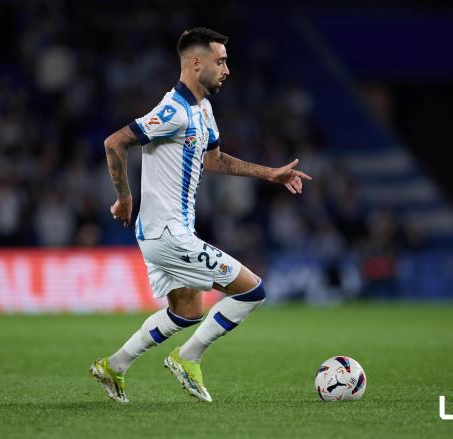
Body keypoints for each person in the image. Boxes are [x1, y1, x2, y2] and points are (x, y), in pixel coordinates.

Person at [90, 28, 312, 403]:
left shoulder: (203, 109)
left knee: (188, 310)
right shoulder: (173, 110)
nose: (227, 69)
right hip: (168, 234)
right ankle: (188, 358)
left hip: (163, 233)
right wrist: (124, 196)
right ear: (195, 63)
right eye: (220, 61)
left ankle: (114, 365)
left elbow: (214, 159)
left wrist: (269, 173)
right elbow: (115, 141)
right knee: (253, 292)